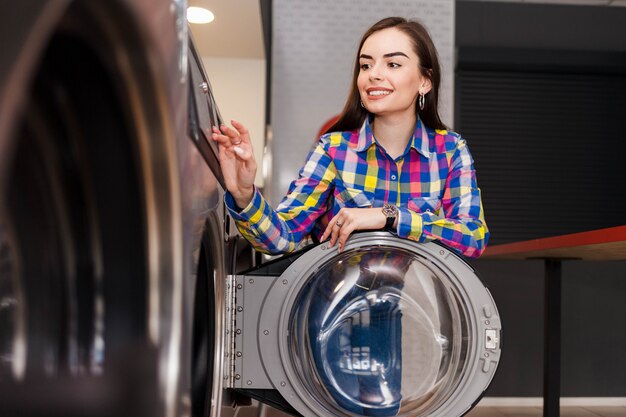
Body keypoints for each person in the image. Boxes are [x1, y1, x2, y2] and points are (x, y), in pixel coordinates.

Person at [211, 16, 488, 258]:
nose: (373, 75)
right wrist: (245, 195)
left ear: (425, 81)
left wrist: (389, 216)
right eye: (365, 66)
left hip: (412, 311)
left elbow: (473, 237)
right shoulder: (333, 150)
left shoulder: (450, 150)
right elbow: (283, 238)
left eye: (393, 64)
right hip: (332, 312)